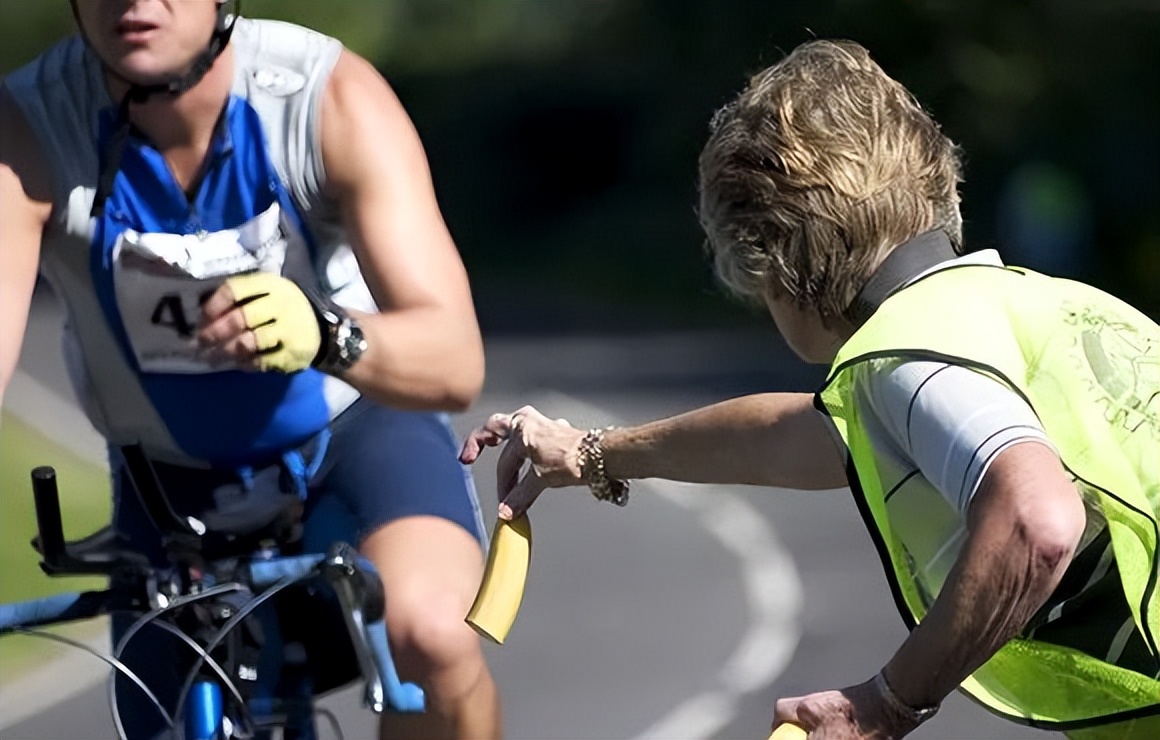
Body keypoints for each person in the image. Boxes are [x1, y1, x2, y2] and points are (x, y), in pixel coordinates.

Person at [460, 39, 1159, 740]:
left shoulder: (907, 356)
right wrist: (593, 452)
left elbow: (1037, 522)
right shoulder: (1046, 307)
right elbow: (795, 439)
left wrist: (883, 707)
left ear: (781, 261)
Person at [0, 1, 501, 738]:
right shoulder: (28, 126)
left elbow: (454, 360)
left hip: (355, 437)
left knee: (434, 637)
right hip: (167, 481)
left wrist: (327, 334)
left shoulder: (326, 95)